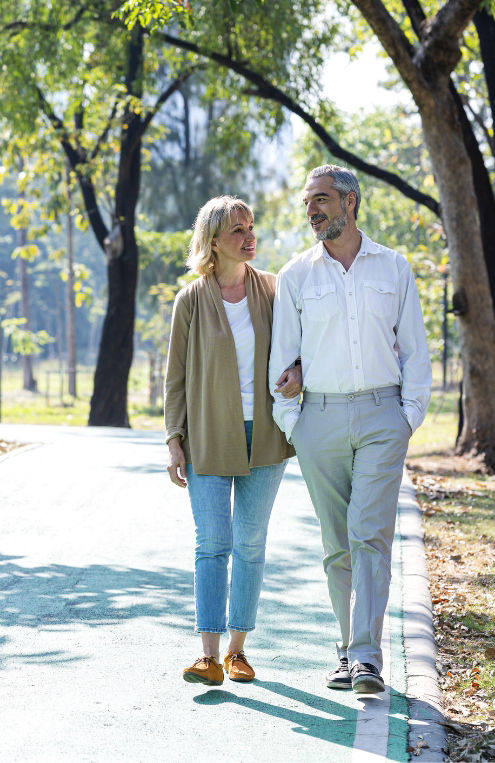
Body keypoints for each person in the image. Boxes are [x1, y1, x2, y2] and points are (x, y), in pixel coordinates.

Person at [268, 165, 431, 694]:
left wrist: (407, 417)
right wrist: (295, 424)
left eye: (321, 199)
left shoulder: (393, 267)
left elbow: (415, 350)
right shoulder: (296, 275)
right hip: (319, 420)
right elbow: (281, 361)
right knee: (337, 544)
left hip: (384, 418)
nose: (312, 210)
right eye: (308, 202)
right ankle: (346, 650)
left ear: (350, 202)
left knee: (369, 536)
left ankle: (366, 657)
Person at [165, 195, 302, 686]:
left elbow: (300, 345)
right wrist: (173, 438)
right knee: (212, 543)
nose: (249, 237)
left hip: (265, 434)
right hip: (207, 436)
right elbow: (176, 377)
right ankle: (207, 652)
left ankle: (238, 651)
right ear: (213, 242)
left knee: (249, 541)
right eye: (237, 231)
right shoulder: (191, 299)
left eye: (251, 227)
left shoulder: (273, 289)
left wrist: (300, 372)